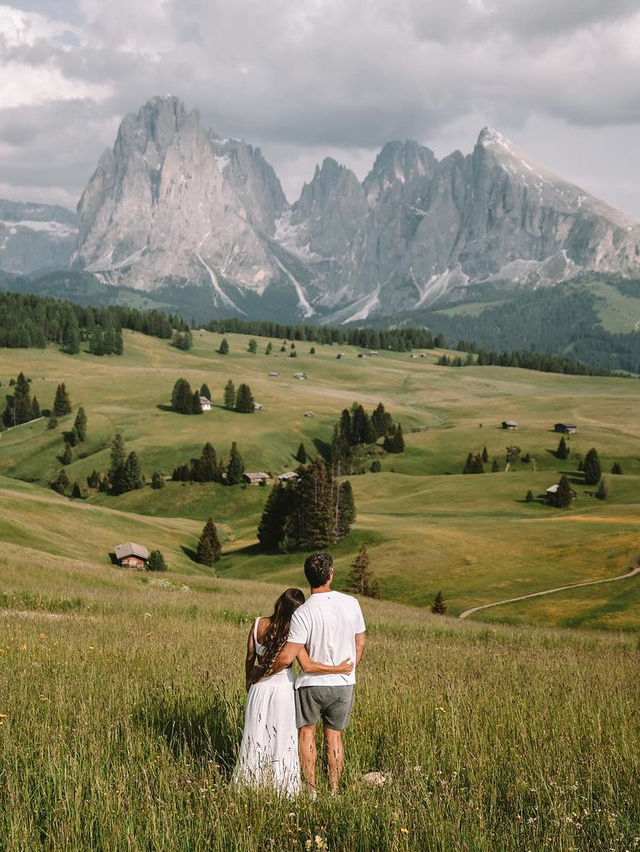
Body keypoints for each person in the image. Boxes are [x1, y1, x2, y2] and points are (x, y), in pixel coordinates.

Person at [232, 587, 353, 797]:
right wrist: (338, 669)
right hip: (282, 690)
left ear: (279, 603)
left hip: (258, 689)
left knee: (256, 735)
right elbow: (308, 665)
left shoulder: (257, 623)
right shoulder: (293, 633)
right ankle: (281, 785)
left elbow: (249, 659)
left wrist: (249, 683)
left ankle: (251, 782)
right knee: (282, 738)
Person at [265, 552, 366, 795]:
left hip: (310, 684)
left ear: (307, 577)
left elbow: (291, 655)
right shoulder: (351, 603)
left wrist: (264, 672)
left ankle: (310, 790)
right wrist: (348, 670)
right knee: (334, 737)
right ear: (330, 575)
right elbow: (360, 642)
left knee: (307, 734)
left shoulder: (303, 612)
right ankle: (333, 791)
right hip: (343, 683)